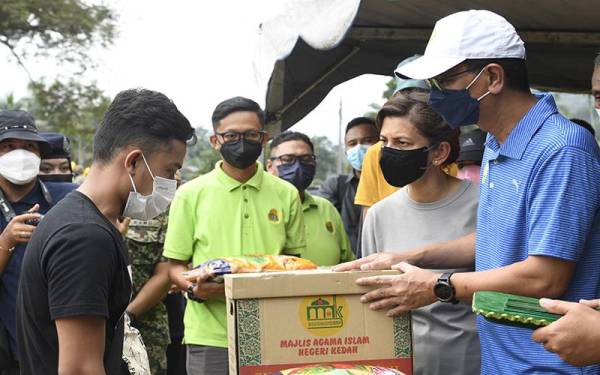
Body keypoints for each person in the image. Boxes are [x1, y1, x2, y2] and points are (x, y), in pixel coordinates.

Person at [335, 9, 600, 374]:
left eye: (444, 80)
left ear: (491, 77)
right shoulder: (496, 141)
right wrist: (408, 255)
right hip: (502, 360)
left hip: (549, 363)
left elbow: (545, 276)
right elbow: (499, 237)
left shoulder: (561, 148)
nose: (435, 95)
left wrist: (438, 287)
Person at [16, 88, 194, 374]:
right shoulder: (84, 237)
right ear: (134, 161)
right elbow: (80, 369)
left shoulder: (82, 221)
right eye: (170, 170)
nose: (172, 182)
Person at [163, 96, 306, 375]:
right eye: (231, 135)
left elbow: (295, 263)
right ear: (215, 141)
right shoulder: (190, 194)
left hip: (276, 332)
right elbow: (175, 266)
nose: (242, 142)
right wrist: (195, 289)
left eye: (251, 134)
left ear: (263, 138)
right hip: (210, 335)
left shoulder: (286, 193)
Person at [361, 92, 480, 375]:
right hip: (400, 366)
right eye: (384, 142)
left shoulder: (484, 204)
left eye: (402, 143)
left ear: (439, 152)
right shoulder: (379, 214)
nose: (389, 152)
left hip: (472, 361)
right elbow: (369, 297)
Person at [0, 110, 76, 375]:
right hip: (9, 349)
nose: (20, 155)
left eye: (29, 147)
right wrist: (6, 241)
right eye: (8, 147)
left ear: (40, 154)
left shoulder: (69, 199)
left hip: (61, 344)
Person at [123, 170, 183, 375]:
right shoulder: (93, 204)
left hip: (146, 326)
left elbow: (165, 273)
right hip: (94, 323)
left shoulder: (163, 209)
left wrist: (128, 315)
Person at [267, 131, 353, 266]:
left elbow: (348, 263)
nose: (298, 167)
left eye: (306, 159)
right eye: (288, 159)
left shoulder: (326, 208)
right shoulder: (260, 207)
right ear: (270, 167)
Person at [317, 117, 379, 256]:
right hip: (347, 267)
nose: (359, 148)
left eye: (367, 141)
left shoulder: (397, 186)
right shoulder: (336, 186)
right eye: (352, 143)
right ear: (346, 151)